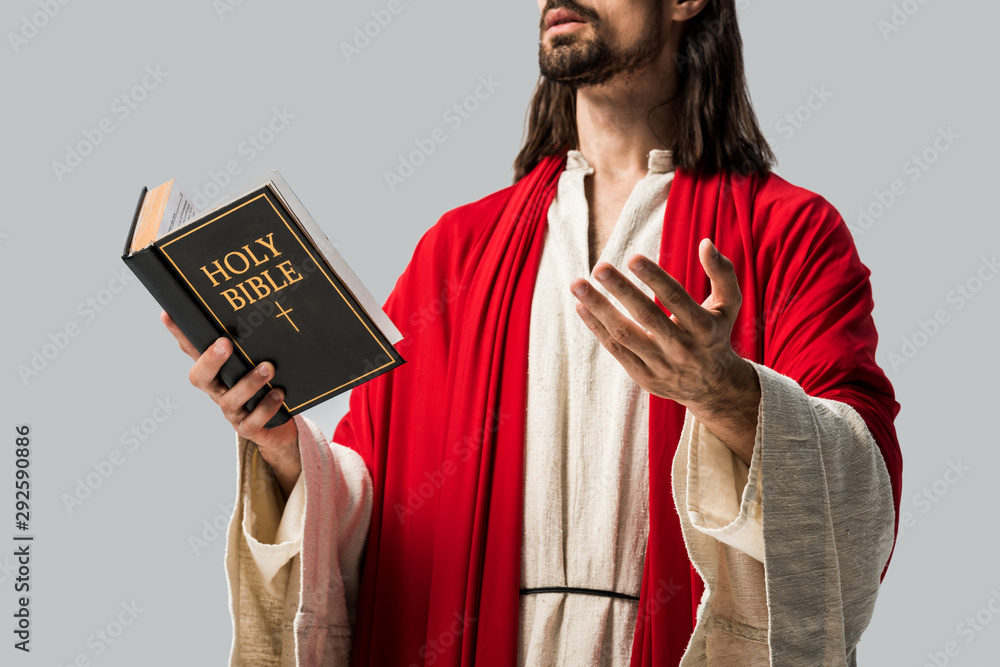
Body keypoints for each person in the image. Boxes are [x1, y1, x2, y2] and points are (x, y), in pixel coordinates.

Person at [162, 0, 903, 665]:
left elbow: (858, 504)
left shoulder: (790, 235)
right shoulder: (456, 252)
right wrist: (286, 453)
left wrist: (731, 396)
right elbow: (382, 509)